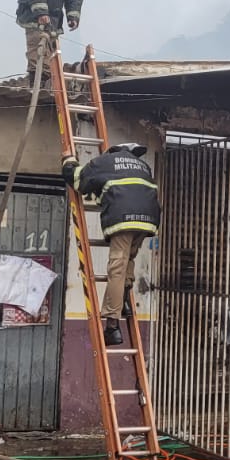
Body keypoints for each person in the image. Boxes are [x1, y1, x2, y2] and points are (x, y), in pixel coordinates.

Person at [61, 143, 158, 345]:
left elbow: (78, 180)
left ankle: (112, 327)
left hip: (123, 218)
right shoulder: (142, 166)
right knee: (128, 260)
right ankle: (123, 302)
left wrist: (68, 161)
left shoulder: (105, 162)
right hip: (148, 220)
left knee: (117, 267)